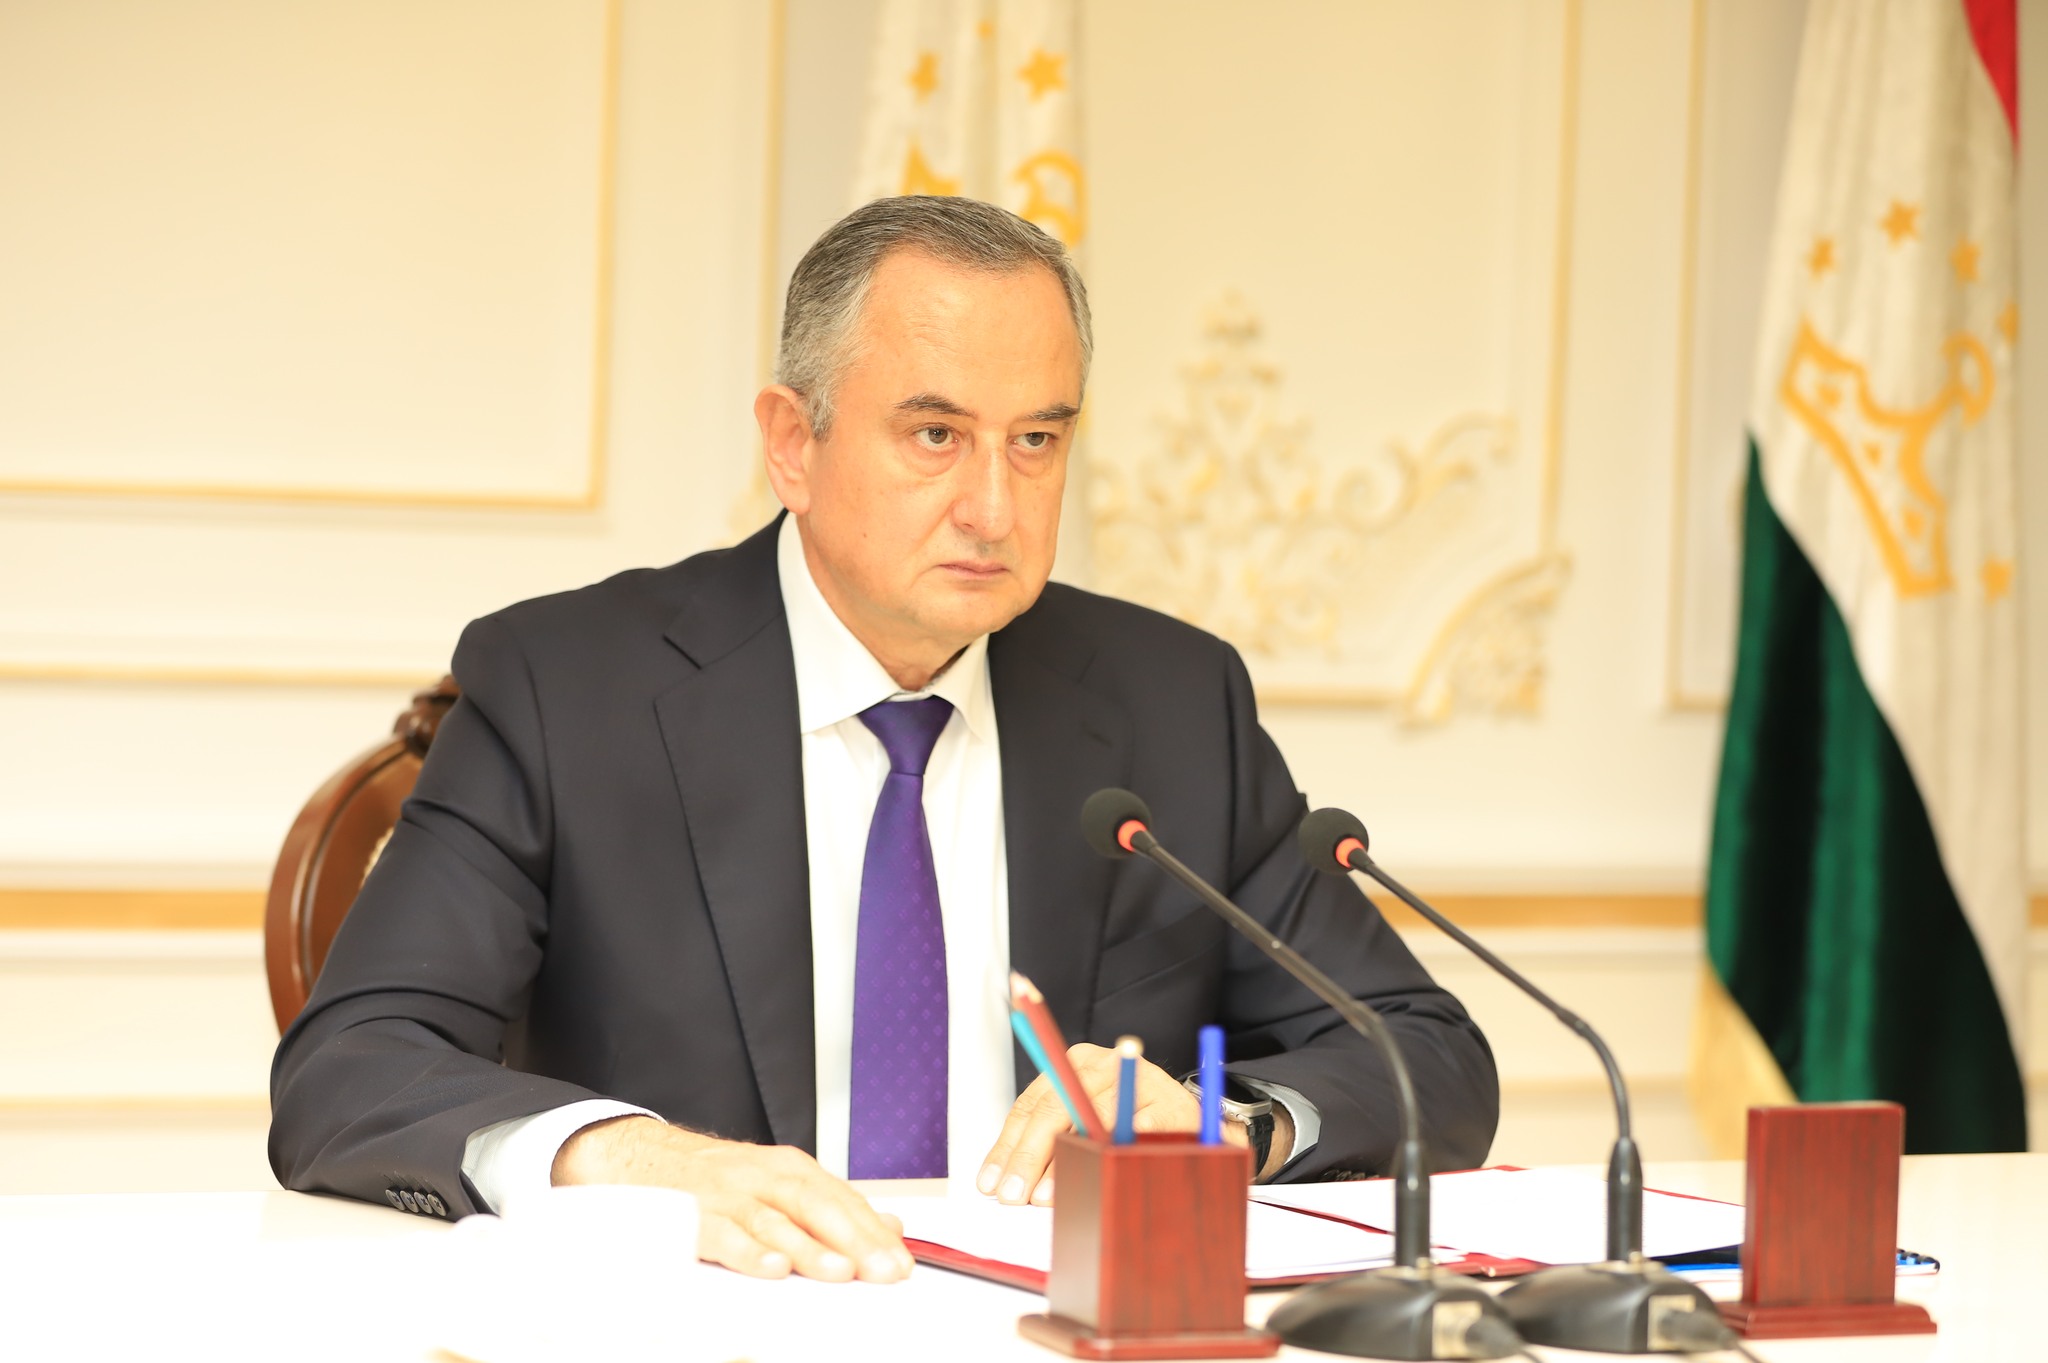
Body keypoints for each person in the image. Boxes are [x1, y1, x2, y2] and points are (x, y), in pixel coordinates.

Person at [269, 196, 1498, 1285]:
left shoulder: (1171, 702)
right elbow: (352, 1068)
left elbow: (1426, 1057)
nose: (993, 508)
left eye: (1035, 440)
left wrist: (1223, 1124)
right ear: (790, 444)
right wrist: (635, 1160)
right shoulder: (569, 688)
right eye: (933, 435)